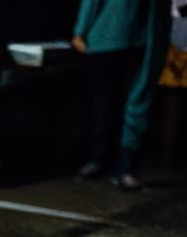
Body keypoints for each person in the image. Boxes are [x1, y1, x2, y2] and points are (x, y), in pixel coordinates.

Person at [72, 0, 172, 190]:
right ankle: (116, 165)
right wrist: (81, 30)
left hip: (133, 38)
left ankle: (114, 164)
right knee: (118, 102)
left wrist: (80, 30)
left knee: (114, 101)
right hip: (120, 36)